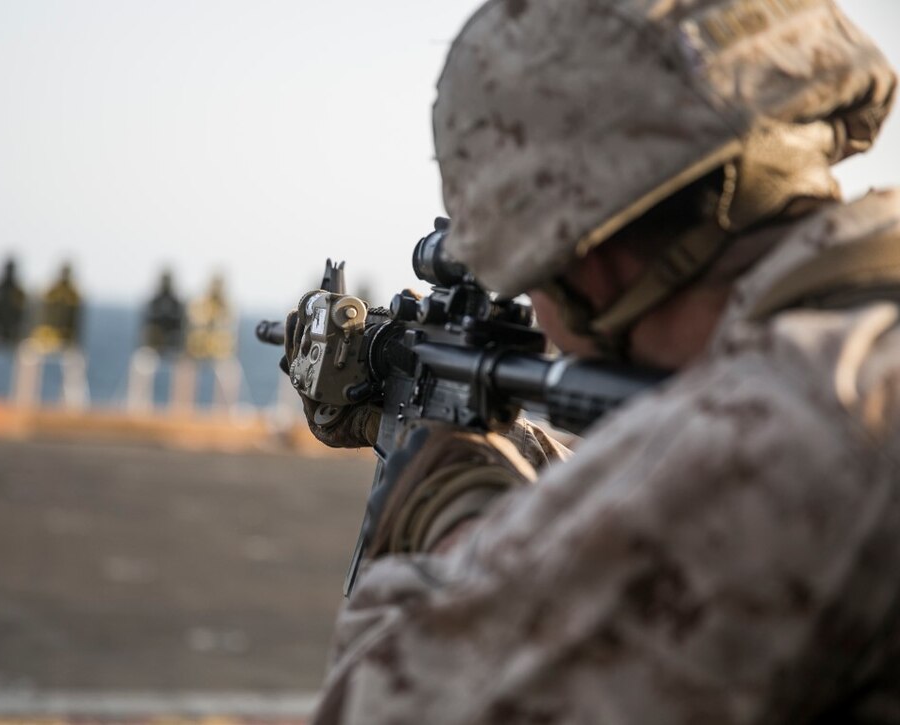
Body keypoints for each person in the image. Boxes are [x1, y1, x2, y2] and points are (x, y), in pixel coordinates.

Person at [286, 0, 900, 721]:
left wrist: (446, 504)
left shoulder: (794, 432)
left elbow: (389, 703)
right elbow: (663, 474)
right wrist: (513, 452)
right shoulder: (848, 351)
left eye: (521, 272)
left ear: (591, 258)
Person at [141, 269, 186, 354]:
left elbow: (180, 321)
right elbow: (148, 321)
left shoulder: (175, 302)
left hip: (173, 338)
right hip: (156, 338)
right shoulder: (155, 301)